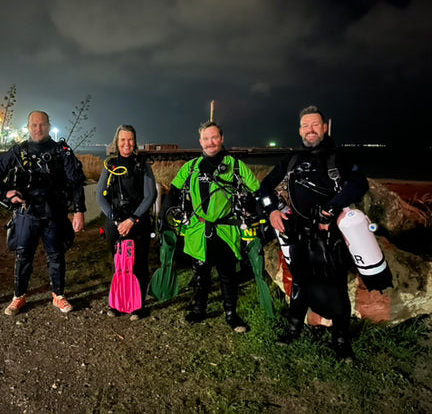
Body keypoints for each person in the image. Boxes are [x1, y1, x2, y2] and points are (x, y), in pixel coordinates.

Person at [259, 105, 369, 361]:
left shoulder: (338, 157)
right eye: (306, 126)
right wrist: (272, 210)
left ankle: (342, 343)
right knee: (299, 281)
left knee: (336, 287)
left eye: (315, 125)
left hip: (330, 235)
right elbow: (265, 185)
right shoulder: (292, 159)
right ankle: (293, 329)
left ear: (325, 127)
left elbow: (358, 184)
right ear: (300, 130)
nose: (311, 130)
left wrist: (330, 209)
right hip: (298, 232)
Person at [159, 121, 260, 332]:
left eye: (214, 137)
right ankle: (198, 309)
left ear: (221, 139)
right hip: (198, 229)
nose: (210, 142)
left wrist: (257, 211)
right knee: (201, 273)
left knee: (227, 274)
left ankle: (232, 315)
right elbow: (174, 191)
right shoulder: (192, 167)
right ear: (200, 141)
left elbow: (257, 191)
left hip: (226, 229)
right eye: (206, 138)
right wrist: (165, 216)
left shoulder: (236, 165)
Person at [0, 110, 86, 316]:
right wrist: (5, 192)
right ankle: (19, 296)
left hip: (55, 213)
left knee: (56, 256)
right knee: (23, 256)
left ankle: (58, 295)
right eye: (34, 125)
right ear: (28, 127)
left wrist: (78, 211)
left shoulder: (61, 151)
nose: (38, 129)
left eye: (42, 125)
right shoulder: (17, 151)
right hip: (27, 213)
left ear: (49, 126)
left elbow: (76, 182)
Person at [97, 124, 157, 320]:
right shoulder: (110, 165)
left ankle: (138, 305)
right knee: (118, 263)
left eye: (130, 140)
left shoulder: (142, 164)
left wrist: (132, 219)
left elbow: (150, 195)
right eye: (123, 139)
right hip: (115, 222)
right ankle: (118, 303)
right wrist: (115, 219)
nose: (127, 143)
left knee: (139, 264)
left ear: (135, 142)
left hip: (138, 222)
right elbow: (100, 196)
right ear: (117, 142)